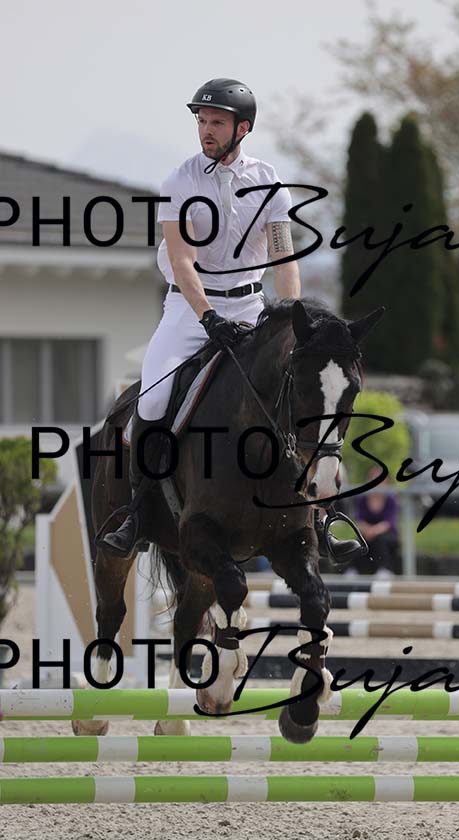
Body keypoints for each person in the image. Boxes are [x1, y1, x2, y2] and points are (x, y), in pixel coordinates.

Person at [99, 77, 362, 563]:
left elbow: (284, 259)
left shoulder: (269, 184)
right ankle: (137, 510)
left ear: (243, 128)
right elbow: (182, 261)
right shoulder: (180, 182)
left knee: (297, 398)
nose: (206, 129)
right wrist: (207, 316)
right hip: (188, 311)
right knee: (152, 402)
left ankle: (322, 518)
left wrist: (292, 321)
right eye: (201, 121)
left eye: (216, 122)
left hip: (252, 310)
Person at [353, 469, 400, 576]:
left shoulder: (391, 500)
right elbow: (359, 519)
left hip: (387, 535)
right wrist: (367, 530)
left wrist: (373, 531)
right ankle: (352, 570)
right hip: (367, 533)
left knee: (380, 540)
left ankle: (385, 569)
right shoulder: (362, 499)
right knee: (357, 543)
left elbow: (389, 522)